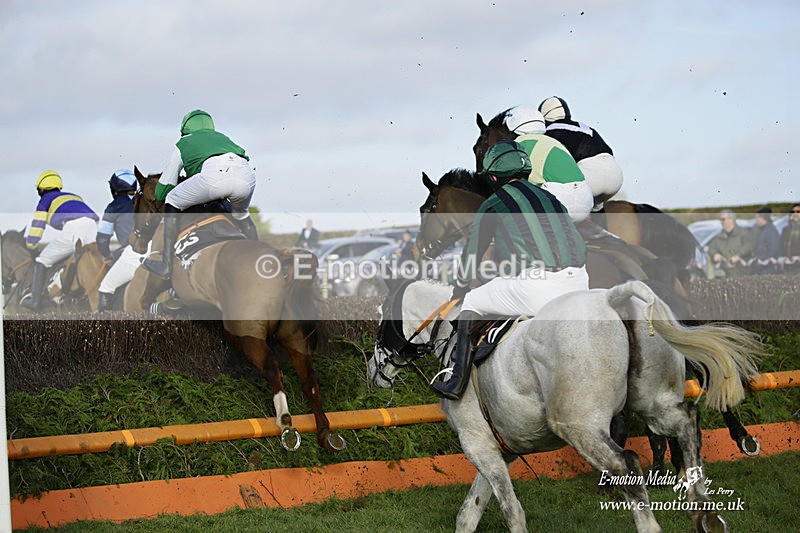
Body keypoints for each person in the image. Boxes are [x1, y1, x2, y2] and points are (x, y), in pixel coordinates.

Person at [431, 141, 589, 400]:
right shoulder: (551, 197)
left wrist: (460, 287)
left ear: (493, 177)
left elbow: (472, 254)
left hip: (539, 288)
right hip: (580, 283)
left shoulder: (494, 203)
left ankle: (456, 381)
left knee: (472, 301)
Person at [142, 109, 258, 280]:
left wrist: (161, 193)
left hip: (215, 176)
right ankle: (257, 255)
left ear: (185, 129)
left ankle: (166, 264)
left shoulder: (184, 142)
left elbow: (163, 190)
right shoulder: (223, 137)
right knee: (241, 214)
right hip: (246, 178)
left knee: (172, 199)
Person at [22, 170, 99, 310]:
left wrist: (31, 245)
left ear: (41, 189)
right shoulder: (74, 196)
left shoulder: (45, 200)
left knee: (42, 260)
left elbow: (38, 226)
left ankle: (35, 301)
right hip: (93, 226)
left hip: (74, 229)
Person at [504, 106, 593, 222]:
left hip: (558, 202)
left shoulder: (517, 144)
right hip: (586, 200)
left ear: (512, 129)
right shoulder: (556, 143)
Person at [538, 96, 623, 211]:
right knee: (595, 207)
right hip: (616, 177)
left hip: (590, 176)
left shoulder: (547, 132)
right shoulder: (584, 127)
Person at [96, 169, 146, 312]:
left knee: (106, 286)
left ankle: (105, 321)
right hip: (157, 249)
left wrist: (106, 255)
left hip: (134, 252)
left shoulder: (114, 207)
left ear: (114, 189)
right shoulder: (145, 201)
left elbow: (102, 238)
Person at [706, 209, 753, 278]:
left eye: (723, 219)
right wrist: (715, 254)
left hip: (742, 273)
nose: (721, 222)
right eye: (720, 220)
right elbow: (711, 248)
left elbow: (749, 246)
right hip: (725, 273)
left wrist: (738, 255)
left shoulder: (743, 233)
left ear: (731, 220)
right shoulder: (719, 237)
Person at [751, 207, 781, 275]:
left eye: (757, 218)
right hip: (761, 267)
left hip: (767, 269)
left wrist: (763, 259)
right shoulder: (761, 230)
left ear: (762, 218)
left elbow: (773, 249)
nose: (756, 220)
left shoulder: (771, 231)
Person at [781, 203, 800, 273]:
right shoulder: (786, 229)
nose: (795, 214)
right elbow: (781, 244)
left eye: (798, 211)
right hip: (788, 265)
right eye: (793, 212)